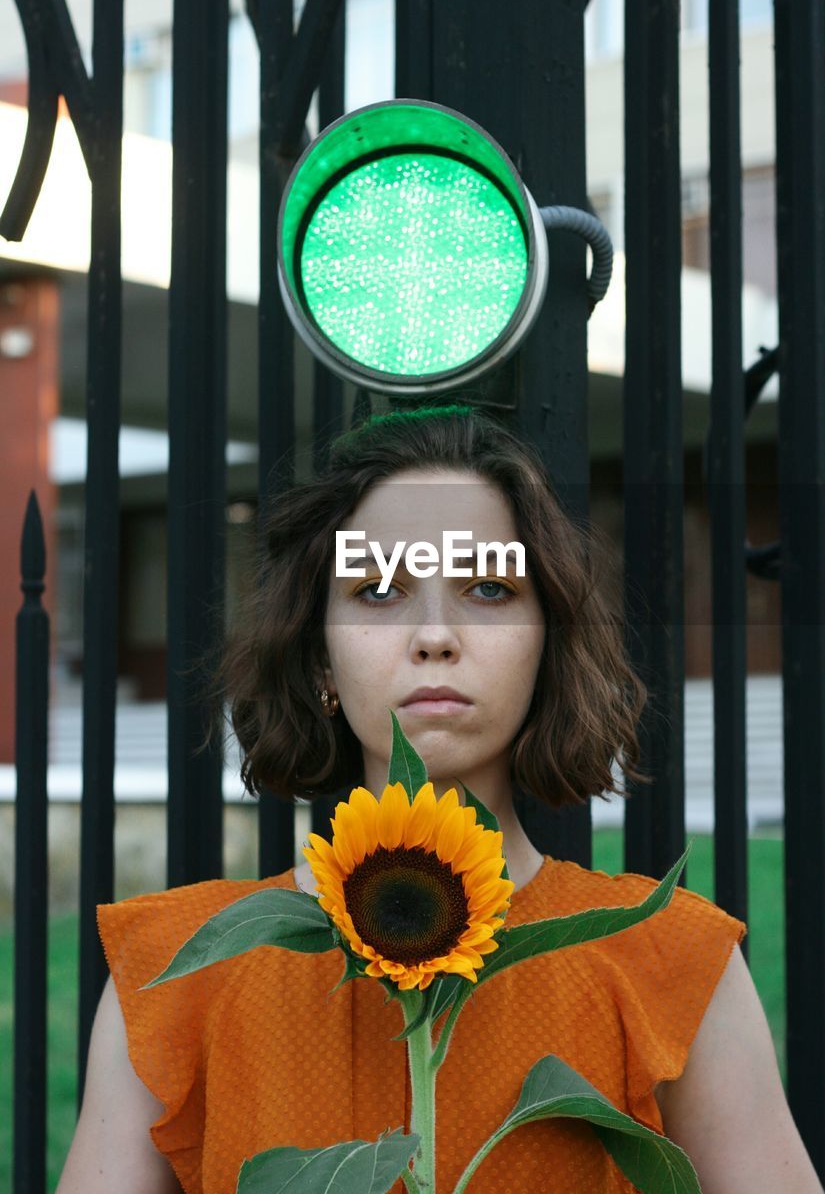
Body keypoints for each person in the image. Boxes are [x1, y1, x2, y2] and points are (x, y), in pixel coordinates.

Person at [56, 404, 823, 1194]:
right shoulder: (175, 979)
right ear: (319, 658)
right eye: (379, 588)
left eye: (488, 588)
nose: (434, 634)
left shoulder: (671, 963)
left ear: (545, 645)